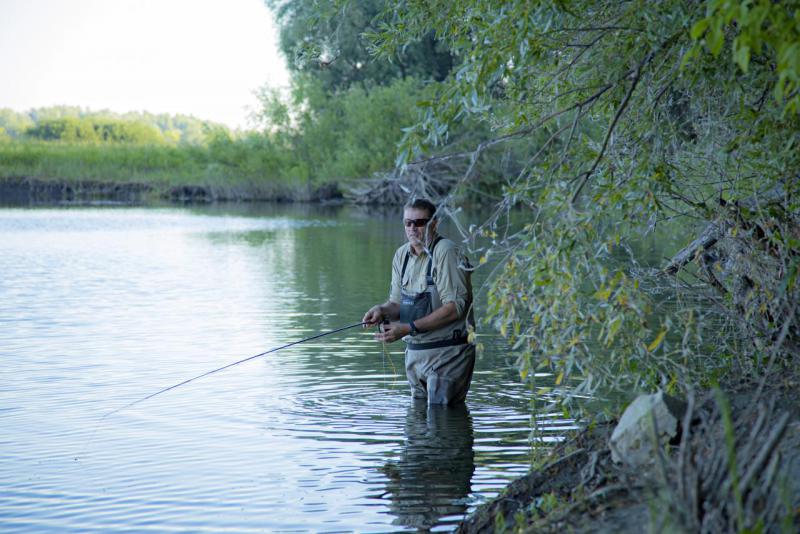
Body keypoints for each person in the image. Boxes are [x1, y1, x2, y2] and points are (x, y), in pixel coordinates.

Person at [362, 198, 476, 405]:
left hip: (448, 355)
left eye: (420, 222)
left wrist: (407, 328)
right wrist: (381, 310)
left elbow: (454, 309)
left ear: (434, 224)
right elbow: (396, 304)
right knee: (416, 432)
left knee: (442, 425)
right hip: (415, 356)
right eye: (408, 223)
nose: (413, 228)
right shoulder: (401, 255)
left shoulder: (446, 252)